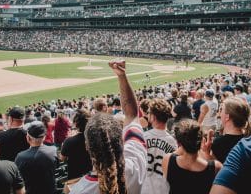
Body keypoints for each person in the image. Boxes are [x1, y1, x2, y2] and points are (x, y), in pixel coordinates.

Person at [70, 60, 147, 194]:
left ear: (87, 147)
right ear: (121, 139)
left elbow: (131, 115)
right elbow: (132, 114)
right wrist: (122, 76)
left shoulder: (78, 190)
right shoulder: (135, 165)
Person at [162, 119, 222, 194]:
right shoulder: (215, 167)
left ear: (179, 143)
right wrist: (207, 153)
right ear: (201, 140)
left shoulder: (168, 160)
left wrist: (182, 143)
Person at [141, 98, 177, 194]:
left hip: (144, 187)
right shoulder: (173, 142)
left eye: (149, 113)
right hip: (163, 188)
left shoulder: (143, 137)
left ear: (153, 117)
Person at [201, 97, 251, 163]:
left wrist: (206, 153)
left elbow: (218, 171)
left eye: (221, 110)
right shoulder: (249, 140)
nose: (219, 113)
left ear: (227, 117)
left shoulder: (218, 144)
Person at [15, 122, 58, 194]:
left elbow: (17, 178)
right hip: (50, 191)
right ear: (44, 137)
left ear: (28, 138)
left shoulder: (21, 157)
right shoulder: (53, 150)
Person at [60, 109, 92, 180]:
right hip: (91, 174)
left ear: (76, 124)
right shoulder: (94, 137)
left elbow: (62, 158)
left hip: (75, 177)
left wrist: (65, 143)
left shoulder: (69, 141)